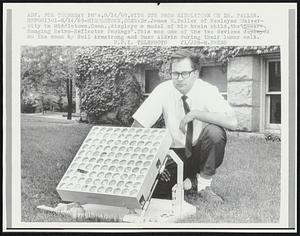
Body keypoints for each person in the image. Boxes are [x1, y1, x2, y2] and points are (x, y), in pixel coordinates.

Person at [131, 49, 238, 204]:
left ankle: (203, 186)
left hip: (200, 150)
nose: (179, 79)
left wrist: (195, 114)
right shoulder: (163, 90)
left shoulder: (207, 90)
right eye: (175, 74)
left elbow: (232, 122)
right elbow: (138, 126)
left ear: (195, 74)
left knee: (215, 133)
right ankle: (190, 181)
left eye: (184, 73)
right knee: (156, 191)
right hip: (175, 152)